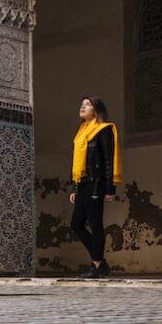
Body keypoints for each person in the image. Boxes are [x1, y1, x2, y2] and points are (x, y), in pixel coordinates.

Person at [69, 95, 121, 279]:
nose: (83, 107)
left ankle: (97, 264)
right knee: (76, 224)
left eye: (88, 104)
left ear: (96, 111)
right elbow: (79, 164)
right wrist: (75, 188)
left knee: (96, 224)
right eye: (82, 104)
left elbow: (108, 160)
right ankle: (101, 262)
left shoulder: (104, 130)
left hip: (96, 184)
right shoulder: (82, 132)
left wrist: (109, 189)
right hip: (82, 184)